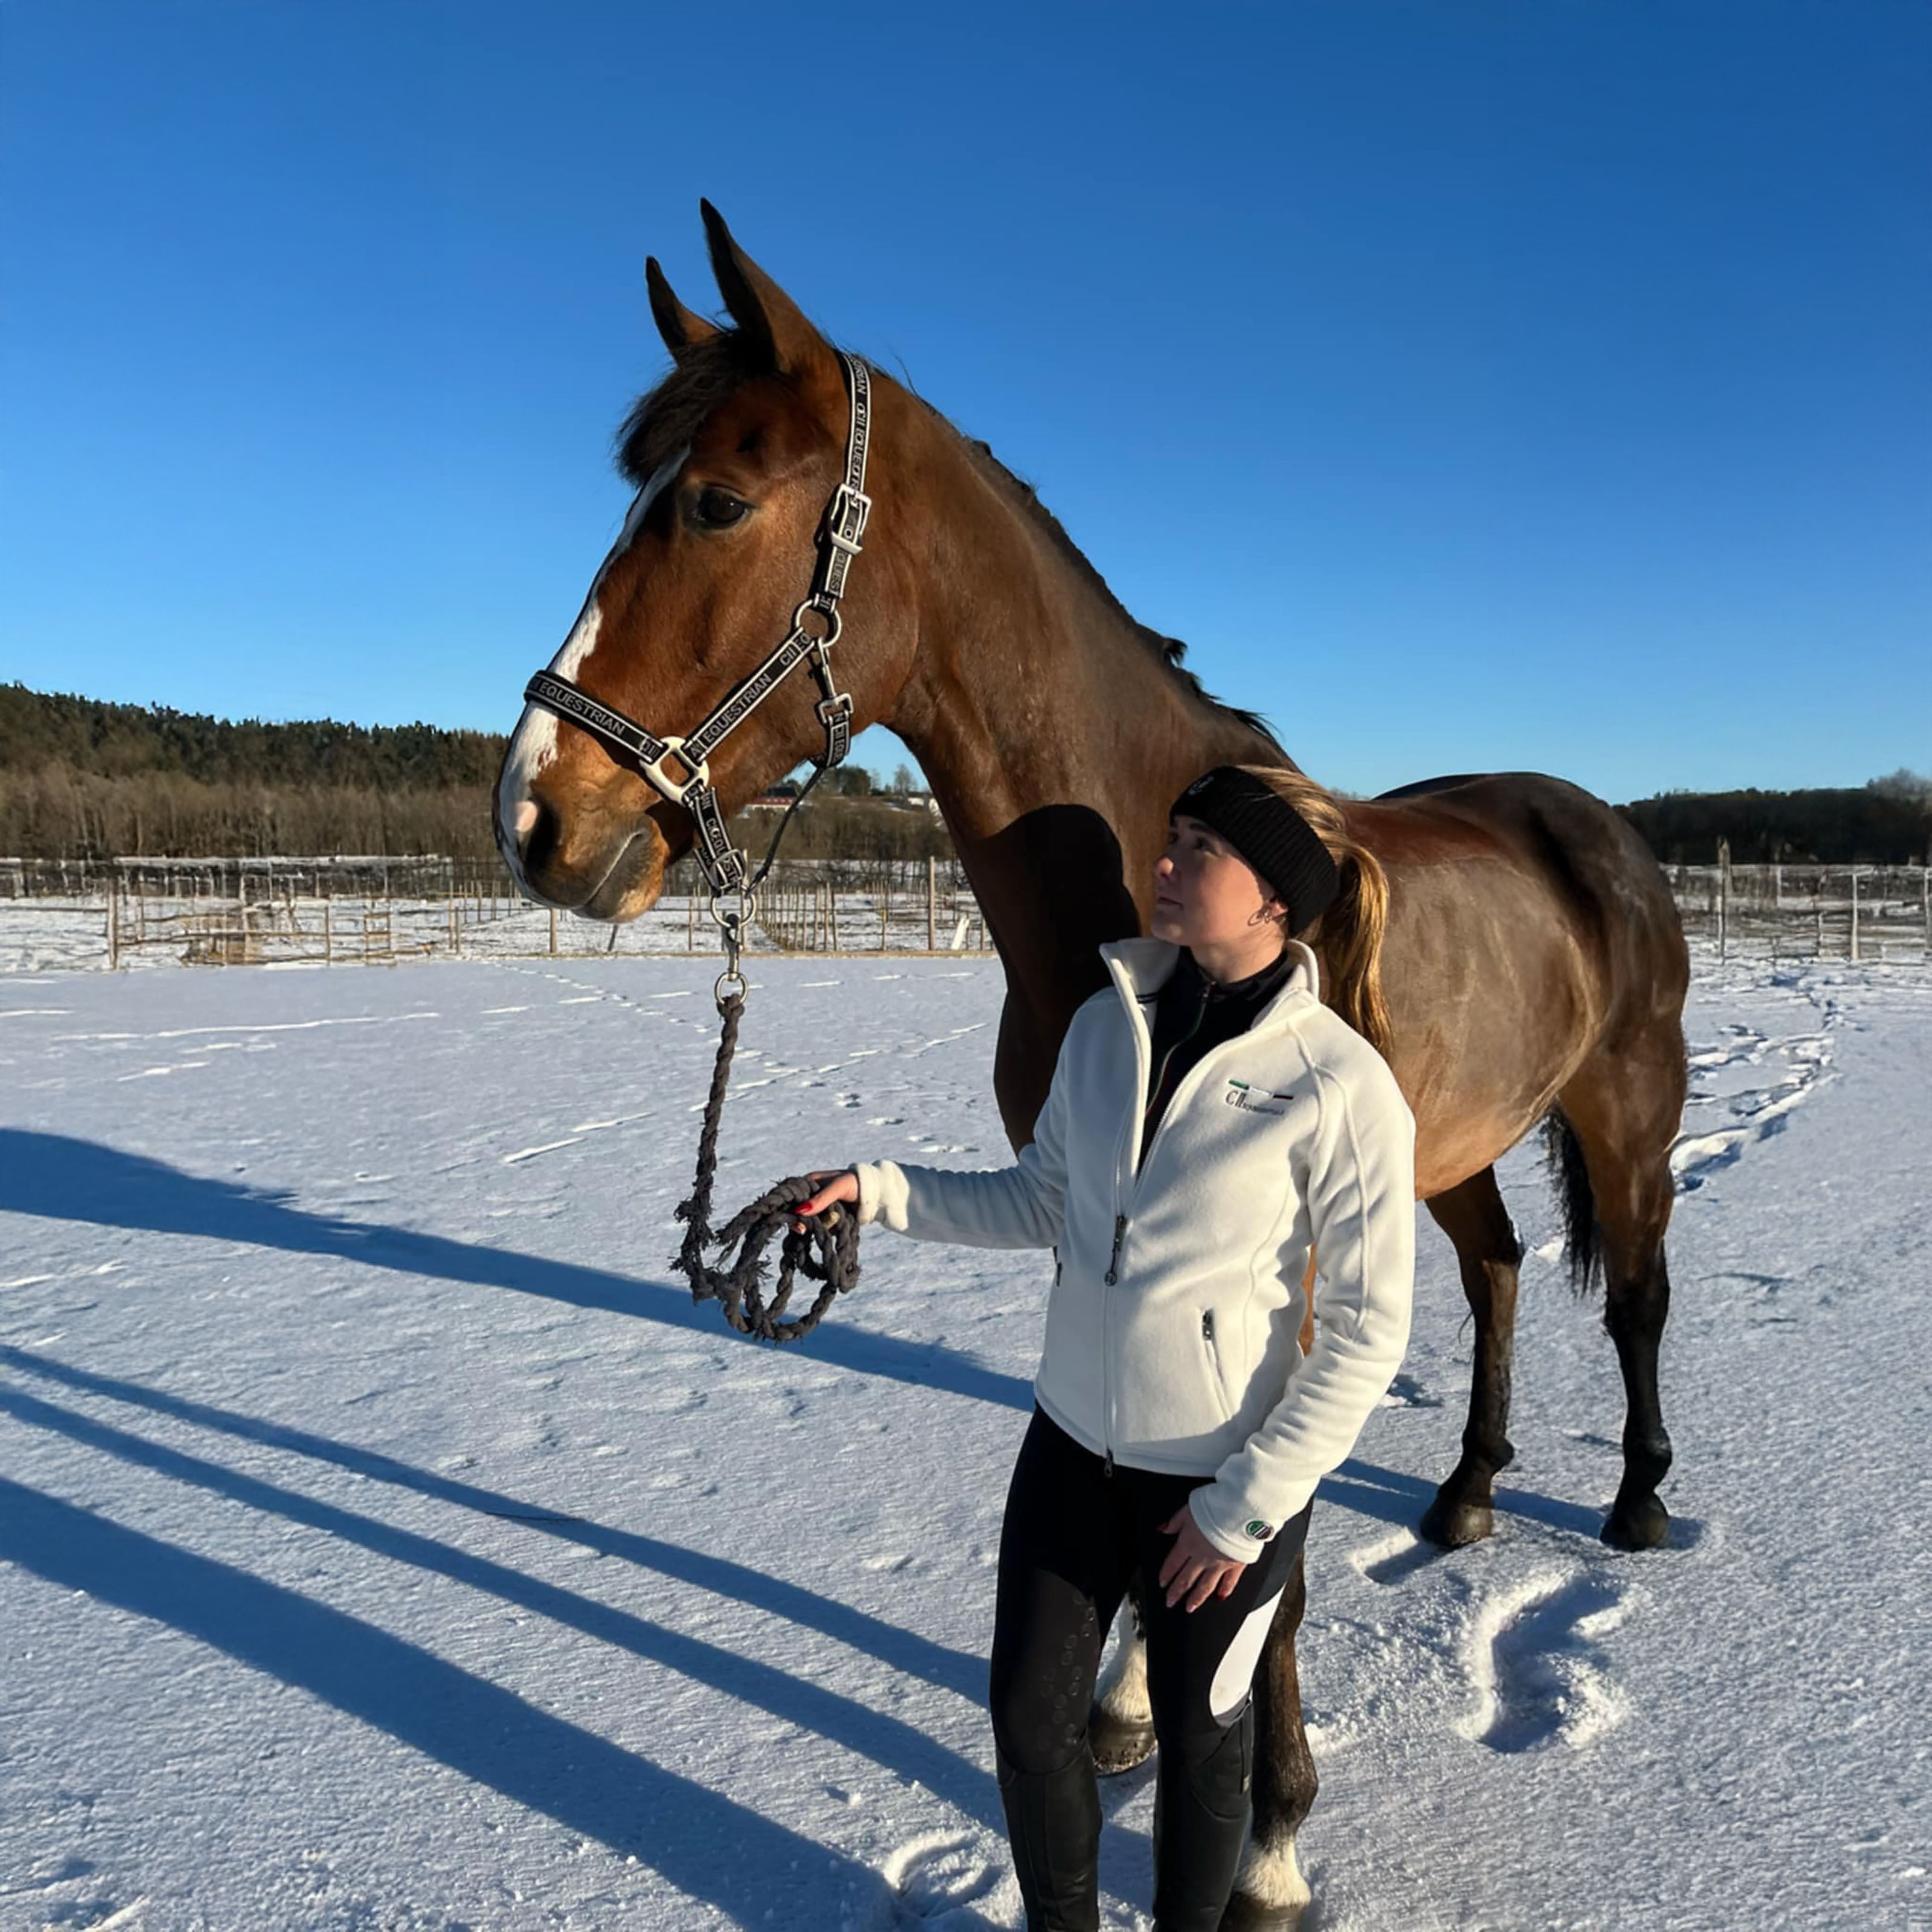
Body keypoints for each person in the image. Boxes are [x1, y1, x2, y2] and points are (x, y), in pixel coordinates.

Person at [792, 765, 1418, 1931]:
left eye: (1197, 849)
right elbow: (1041, 1204)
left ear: (1273, 900)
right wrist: (875, 1191)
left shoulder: (1340, 1087)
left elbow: (1376, 1330)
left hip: (1219, 1488)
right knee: (1032, 1723)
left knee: (1203, 1748)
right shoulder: (1101, 1024)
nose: (1165, 865)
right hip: (1072, 1445)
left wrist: (1247, 1507)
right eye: (1168, 838)